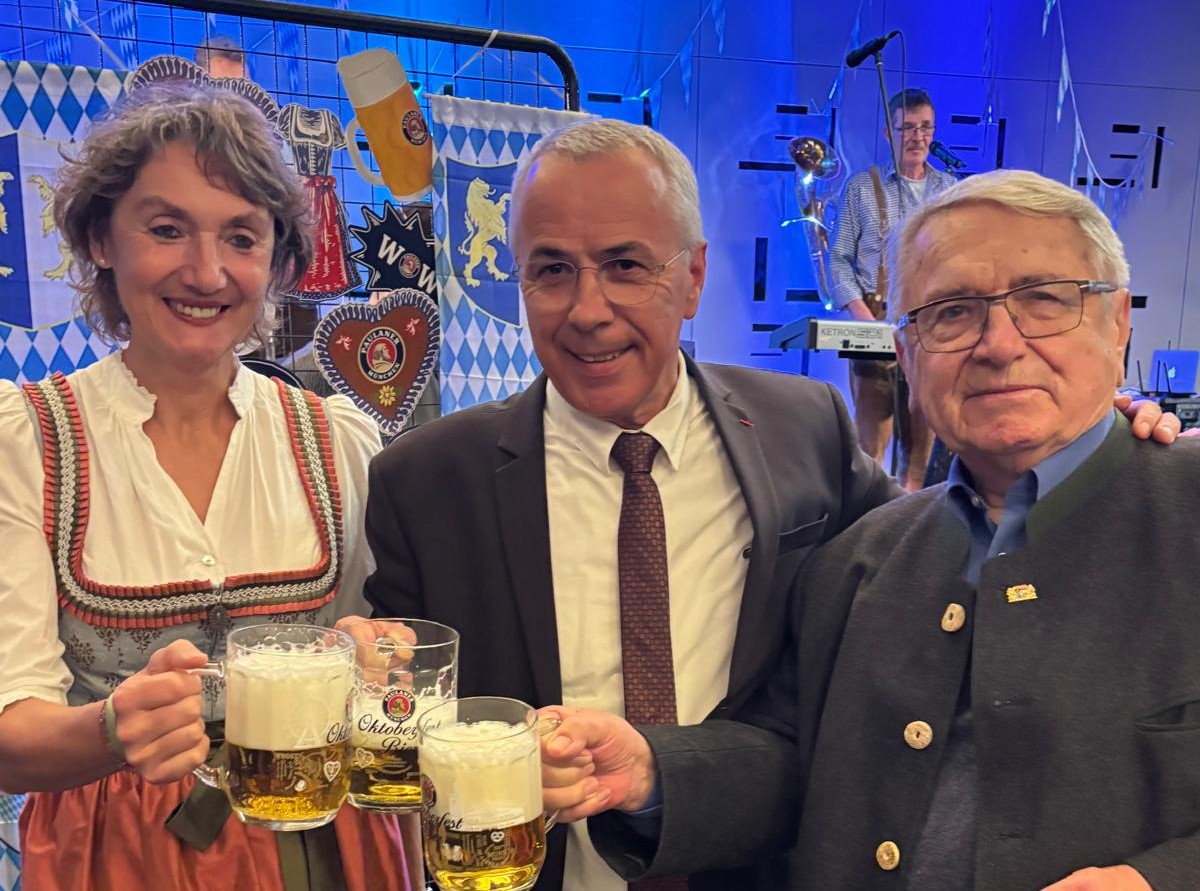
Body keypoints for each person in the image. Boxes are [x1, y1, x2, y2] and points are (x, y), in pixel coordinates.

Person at [363, 120, 1176, 891]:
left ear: (693, 277)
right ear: (907, 349)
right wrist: (362, 671)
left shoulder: (807, 432)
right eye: (550, 270)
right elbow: (398, 702)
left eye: (626, 265)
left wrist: (1114, 444)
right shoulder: (424, 480)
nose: (588, 308)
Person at [0, 85, 413, 891]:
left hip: (320, 842)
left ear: (279, 262)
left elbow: (381, 659)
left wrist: (379, 654)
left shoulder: (336, 440)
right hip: (118, 854)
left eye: (241, 237)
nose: (206, 271)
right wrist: (111, 727)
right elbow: (11, 729)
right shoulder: (30, 441)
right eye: (166, 229)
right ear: (100, 238)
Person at [830, 88, 958, 489]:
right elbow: (839, 261)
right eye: (908, 128)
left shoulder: (949, 190)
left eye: (926, 128)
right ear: (889, 132)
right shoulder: (861, 187)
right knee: (871, 448)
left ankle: (912, 521)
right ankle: (872, 520)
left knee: (921, 450)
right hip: (875, 320)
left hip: (928, 327)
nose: (918, 137)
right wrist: (867, 324)